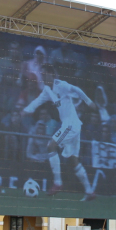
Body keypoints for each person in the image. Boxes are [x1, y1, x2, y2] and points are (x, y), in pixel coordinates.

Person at [22, 65, 97, 201]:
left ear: (51, 74)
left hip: (71, 124)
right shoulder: (47, 90)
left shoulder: (60, 84)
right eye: (42, 75)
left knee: (51, 146)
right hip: (71, 124)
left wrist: (88, 102)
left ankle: (58, 183)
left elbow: (76, 89)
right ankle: (89, 191)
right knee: (73, 160)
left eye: (45, 74)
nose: (43, 77)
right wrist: (26, 110)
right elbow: (37, 101)